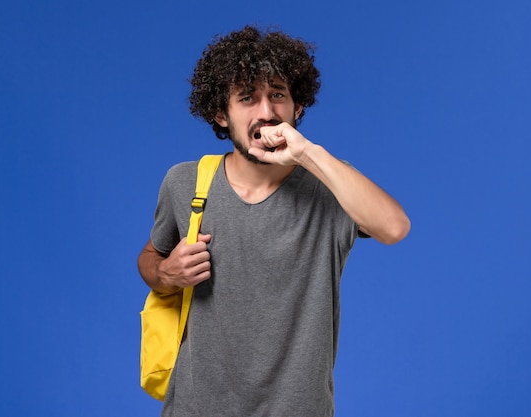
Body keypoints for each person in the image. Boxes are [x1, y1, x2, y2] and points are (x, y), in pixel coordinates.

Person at [138, 25, 410, 417]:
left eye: (278, 95)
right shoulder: (185, 183)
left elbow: (395, 227)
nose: (266, 112)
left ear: (297, 107)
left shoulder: (329, 183)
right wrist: (166, 272)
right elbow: (150, 257)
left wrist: (307, 155)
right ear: (220, 114)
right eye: (247, 98)